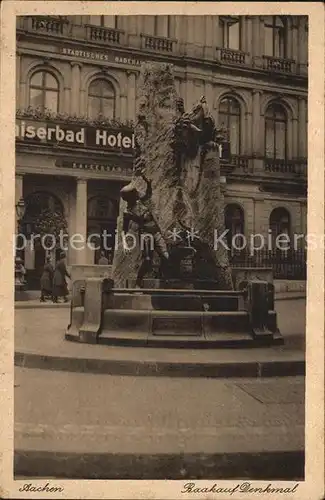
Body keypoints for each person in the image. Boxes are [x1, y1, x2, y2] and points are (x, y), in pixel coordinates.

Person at [120, 167, 169, 288]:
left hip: (156, 232)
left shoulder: (141, 200)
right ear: (130, 197)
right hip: (145, 235)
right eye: (134, 194)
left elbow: (148, 192)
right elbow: (124, 230)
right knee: (147, 260)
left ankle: (163, 277)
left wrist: (146, 180)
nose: (137, 194)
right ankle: (138, 281)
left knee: (166, 256)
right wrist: (125, 244)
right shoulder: (128, 212)